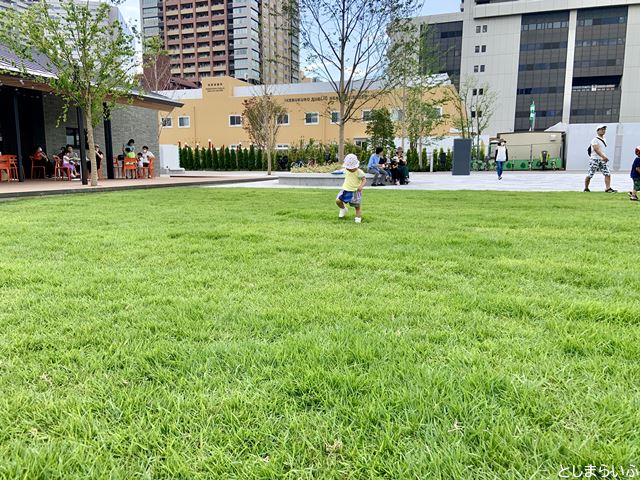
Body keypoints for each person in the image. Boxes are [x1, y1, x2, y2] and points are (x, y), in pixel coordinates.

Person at [584, 125, 617, 193]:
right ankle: (586, 188)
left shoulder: (604, 139)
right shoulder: (594, 140)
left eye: (604, 129)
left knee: (607, 173)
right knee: (590, 174)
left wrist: (603, 157)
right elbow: (596, 149)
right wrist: (604, 157)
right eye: (601, 129)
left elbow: (601, 149)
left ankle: (608, 188)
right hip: (595, 159)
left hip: (602, 159)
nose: (603, 130)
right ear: (597, 131)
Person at [336, 153, 366, 224]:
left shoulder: (359, 172)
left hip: (355, 191)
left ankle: (358, 218)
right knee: (338, 201)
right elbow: (341, 171)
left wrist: (361, 186)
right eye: (347, 167)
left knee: (357, 206)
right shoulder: (346, 169)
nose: (349, 169)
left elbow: (364, 179)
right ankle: (343, 209)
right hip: (345, 189)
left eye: (350, 168)